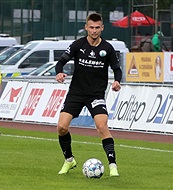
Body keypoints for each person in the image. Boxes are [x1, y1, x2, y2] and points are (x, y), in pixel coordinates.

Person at [55, 13, 122, 177]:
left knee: (102, 126)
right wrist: (59, 73)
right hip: (76, 93)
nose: (94, 30)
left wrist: (117, 81)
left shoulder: (107, 48)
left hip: (96, 94)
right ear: (86, 27)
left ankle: (113, 165)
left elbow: (117, 69)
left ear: (102, 28)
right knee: (62, 127)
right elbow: (60, 62)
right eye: (91, 27)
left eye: (97, 27)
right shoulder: (78, 44)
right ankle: (69, 160)